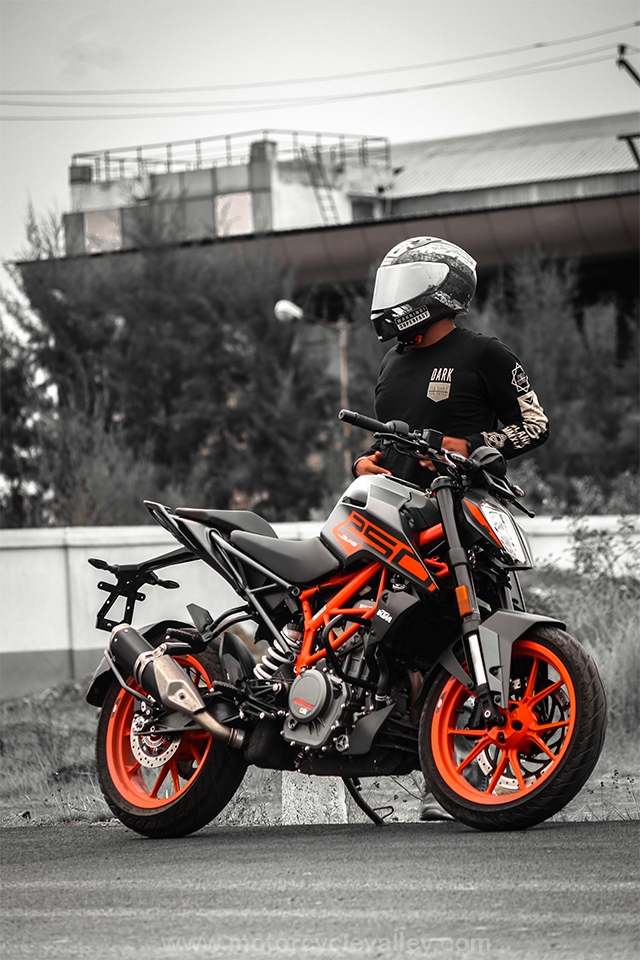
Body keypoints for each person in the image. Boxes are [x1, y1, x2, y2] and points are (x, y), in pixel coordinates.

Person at [354, 236, 549, 820]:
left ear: (440, 291)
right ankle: (423, 768)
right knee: (388, 643)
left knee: (466, 641)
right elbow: (390, 440)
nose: (390, 299)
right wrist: (364, 462)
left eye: (403, 284)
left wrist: (478, 445)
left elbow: (534, 423)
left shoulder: (485, 353)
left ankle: (468, 776)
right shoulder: (392, 362)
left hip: (465, 521)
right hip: (392, 519)